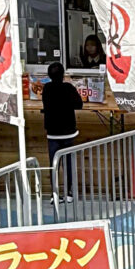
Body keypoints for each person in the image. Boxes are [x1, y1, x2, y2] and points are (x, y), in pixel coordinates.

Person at [42, 62, 82, 200]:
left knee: (54, 164)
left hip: (52, 132)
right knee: (68, 164)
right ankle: (69, 193)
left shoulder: (47, 88)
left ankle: (54, 194)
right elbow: (79, 104)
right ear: (63, 74)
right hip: (68, 131)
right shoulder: (68, 87)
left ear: (49, 75)